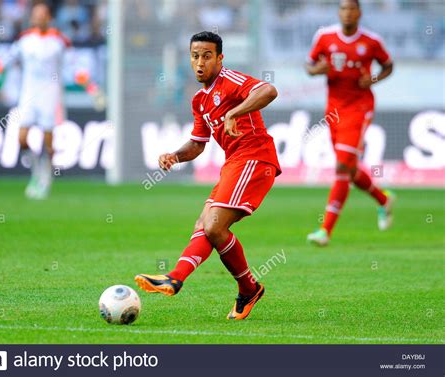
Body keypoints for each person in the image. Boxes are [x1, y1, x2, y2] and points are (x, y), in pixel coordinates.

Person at [135, 31, 281, 320]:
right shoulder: (200, 100)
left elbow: (268, 91)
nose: (200, 62)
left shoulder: (231, 81)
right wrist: (175, 155)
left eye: (206, 56)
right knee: (206, 224)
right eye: (194, 56)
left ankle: (183, 278)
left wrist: (233, 113)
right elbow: (198, 144)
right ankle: (193, 281)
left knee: (214, 225)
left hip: (255, 157)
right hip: (235, 163)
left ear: (219, 58)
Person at [305, 0, 394, 246]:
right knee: (350, 169)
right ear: (339, 12)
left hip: (359, 107)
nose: (347, 13)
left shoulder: (371, 41)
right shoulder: (324, 36)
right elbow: (309, 65)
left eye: (351, 9)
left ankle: (325, 231)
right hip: (333, 109)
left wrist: (373, 79)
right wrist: (316, 70)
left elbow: (388, 65)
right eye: (343, 9)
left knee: (342, 165)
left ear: (359, 13)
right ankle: (384, 199)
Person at [0, 3, 70, 199]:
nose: (39, 18)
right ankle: (36, 172)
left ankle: (46, 175)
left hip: (50, 94)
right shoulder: (25, 39)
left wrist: (92, 89)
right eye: (36, 15)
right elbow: (6, 58)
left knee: (49, 142)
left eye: (42, 15)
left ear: (49, 17)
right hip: (28, 93)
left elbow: (74, 65)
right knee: (22, 137)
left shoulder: (59, 41)